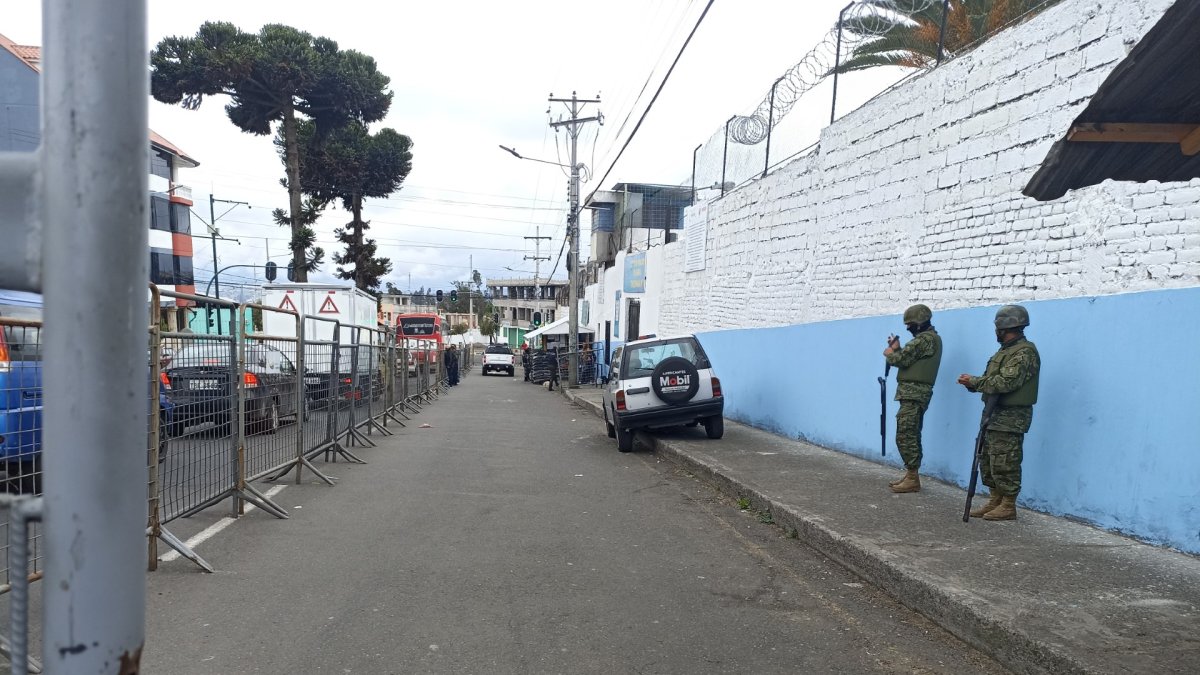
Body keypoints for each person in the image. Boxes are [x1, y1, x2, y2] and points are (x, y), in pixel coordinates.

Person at [957, 304, 1041, 521]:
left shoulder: (1024, 352)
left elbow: (1007, 382)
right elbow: (994, 382)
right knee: (988, 460)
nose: (996, 332)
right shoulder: (1005, 351)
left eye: (997, 328)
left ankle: (1008, 504)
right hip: (993, 413)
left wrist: (975, 381)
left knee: (1005, 461)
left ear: (1003, 328)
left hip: (1011, 417)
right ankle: (995, 500)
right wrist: (973, 384)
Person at [882, 304, 943, 493]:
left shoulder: (924, 340)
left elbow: (902, 360)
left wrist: (891, 353)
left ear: (919, 323)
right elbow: (909, 358)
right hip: (913, 394)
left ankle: (912, 476)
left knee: (906, 433)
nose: (908, 328)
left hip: (914, 394)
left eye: (910, 324)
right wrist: (899, 350)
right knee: (910, 433)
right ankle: (911, 475)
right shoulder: (929, 339)